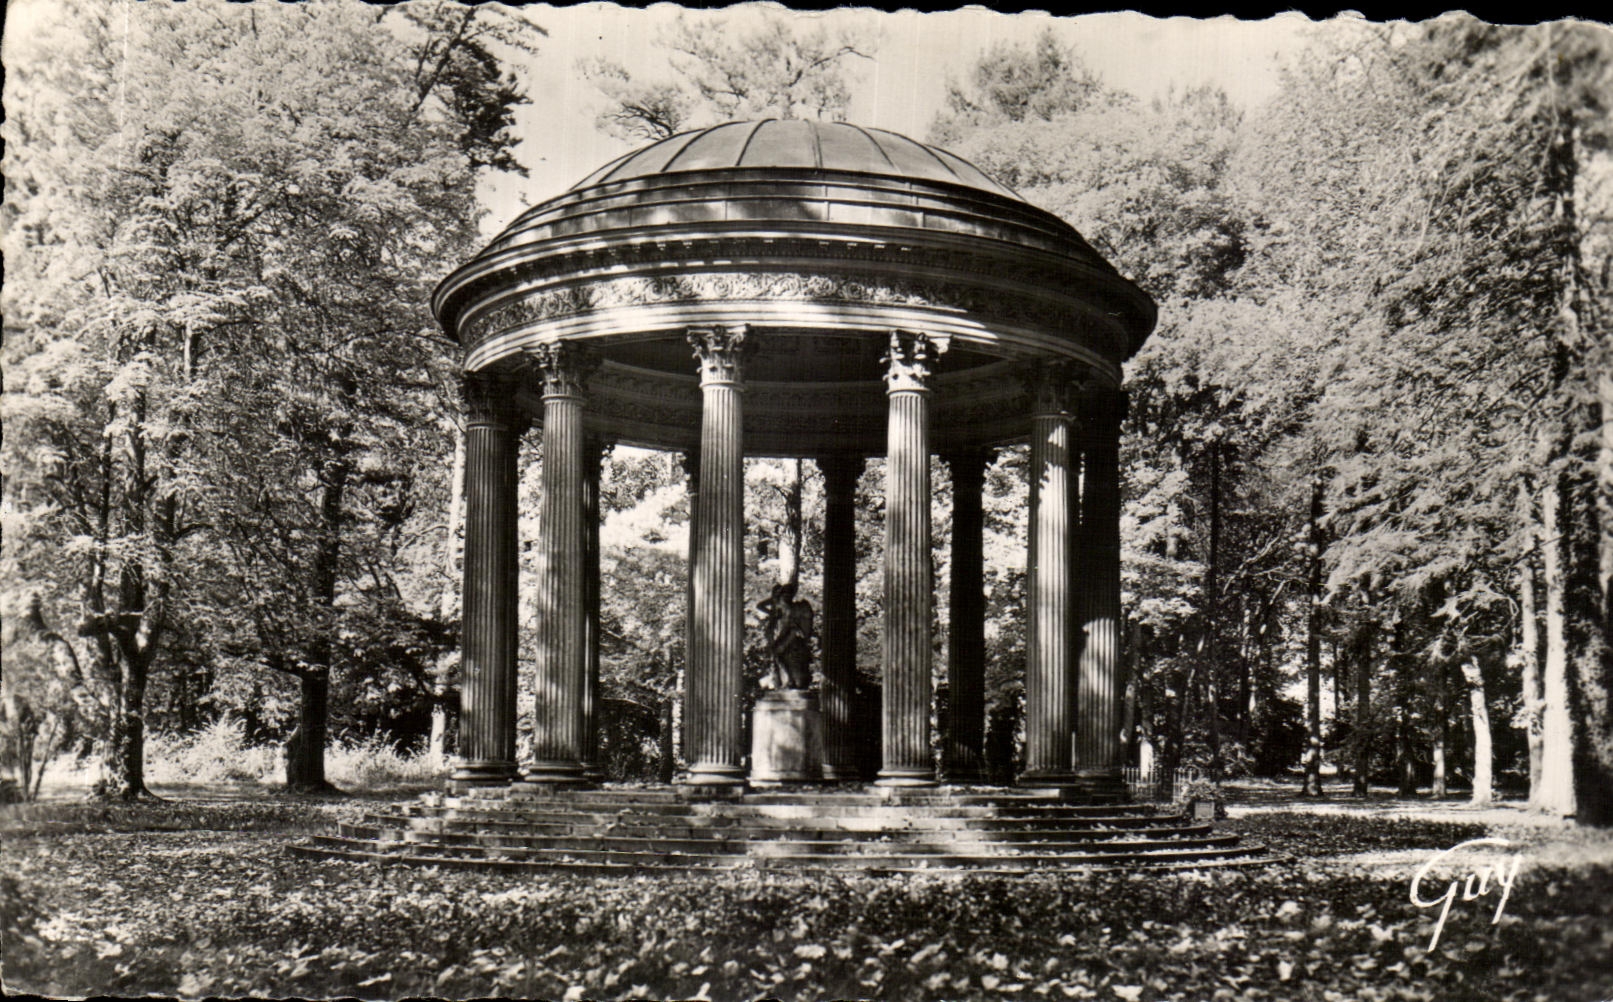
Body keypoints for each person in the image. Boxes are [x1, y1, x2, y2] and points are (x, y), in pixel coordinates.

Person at [758, 581, 816, 690]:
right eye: (784, 593)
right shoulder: (779, 604)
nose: (787, 596)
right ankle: (786, 679)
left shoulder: (795, 607)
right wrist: (772, 614)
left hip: (790, 634)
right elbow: (760, 606)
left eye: (789, 594)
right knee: (776, 654)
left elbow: (803, 624)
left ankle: (789, 679)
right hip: (782, 633)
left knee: (778, 653)